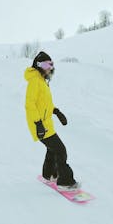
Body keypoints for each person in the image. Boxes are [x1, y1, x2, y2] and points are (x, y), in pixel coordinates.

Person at [24, 51, 80, 191]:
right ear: (38, 65)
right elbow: (30, 105)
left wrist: (56, 111)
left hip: (46, 123)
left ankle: (49, 174)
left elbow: (44, 104)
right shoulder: (35, 81)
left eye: (50, 64)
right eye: (45, 64)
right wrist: (38, 124)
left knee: (52, 149)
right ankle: (65, 182)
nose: (48, 67)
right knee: (61, 150)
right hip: (40, 125)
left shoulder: (42, 81)